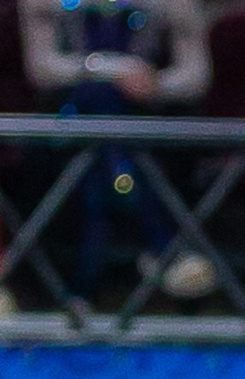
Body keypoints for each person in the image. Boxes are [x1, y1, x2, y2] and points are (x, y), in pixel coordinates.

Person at [21, 0, 217, 304]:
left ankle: (81, 288)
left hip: (148, 121)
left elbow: (195, 77)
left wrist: (155, 83)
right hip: (67, 123)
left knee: (107, 147)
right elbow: (42, 69)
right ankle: (163, 245)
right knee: (101, 104)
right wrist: (112, 69)